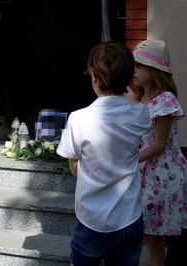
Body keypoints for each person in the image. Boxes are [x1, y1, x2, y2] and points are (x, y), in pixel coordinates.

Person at [57, 41, 152, 265]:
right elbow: (134, 101)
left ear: (93, 77)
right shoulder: (140, 114)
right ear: (130, 78)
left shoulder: (78, 118)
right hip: (130, 217)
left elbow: (74, 166)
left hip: (92, 219)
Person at [130, 39, 187, 266]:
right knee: (148, 237)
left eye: (139, 66)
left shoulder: (164, 100)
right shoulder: (137, 97)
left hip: (161, 174)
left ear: (154, 70)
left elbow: (159, 145)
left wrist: (127, 161)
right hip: (144, 171)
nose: (133, 71)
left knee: (154, 239)